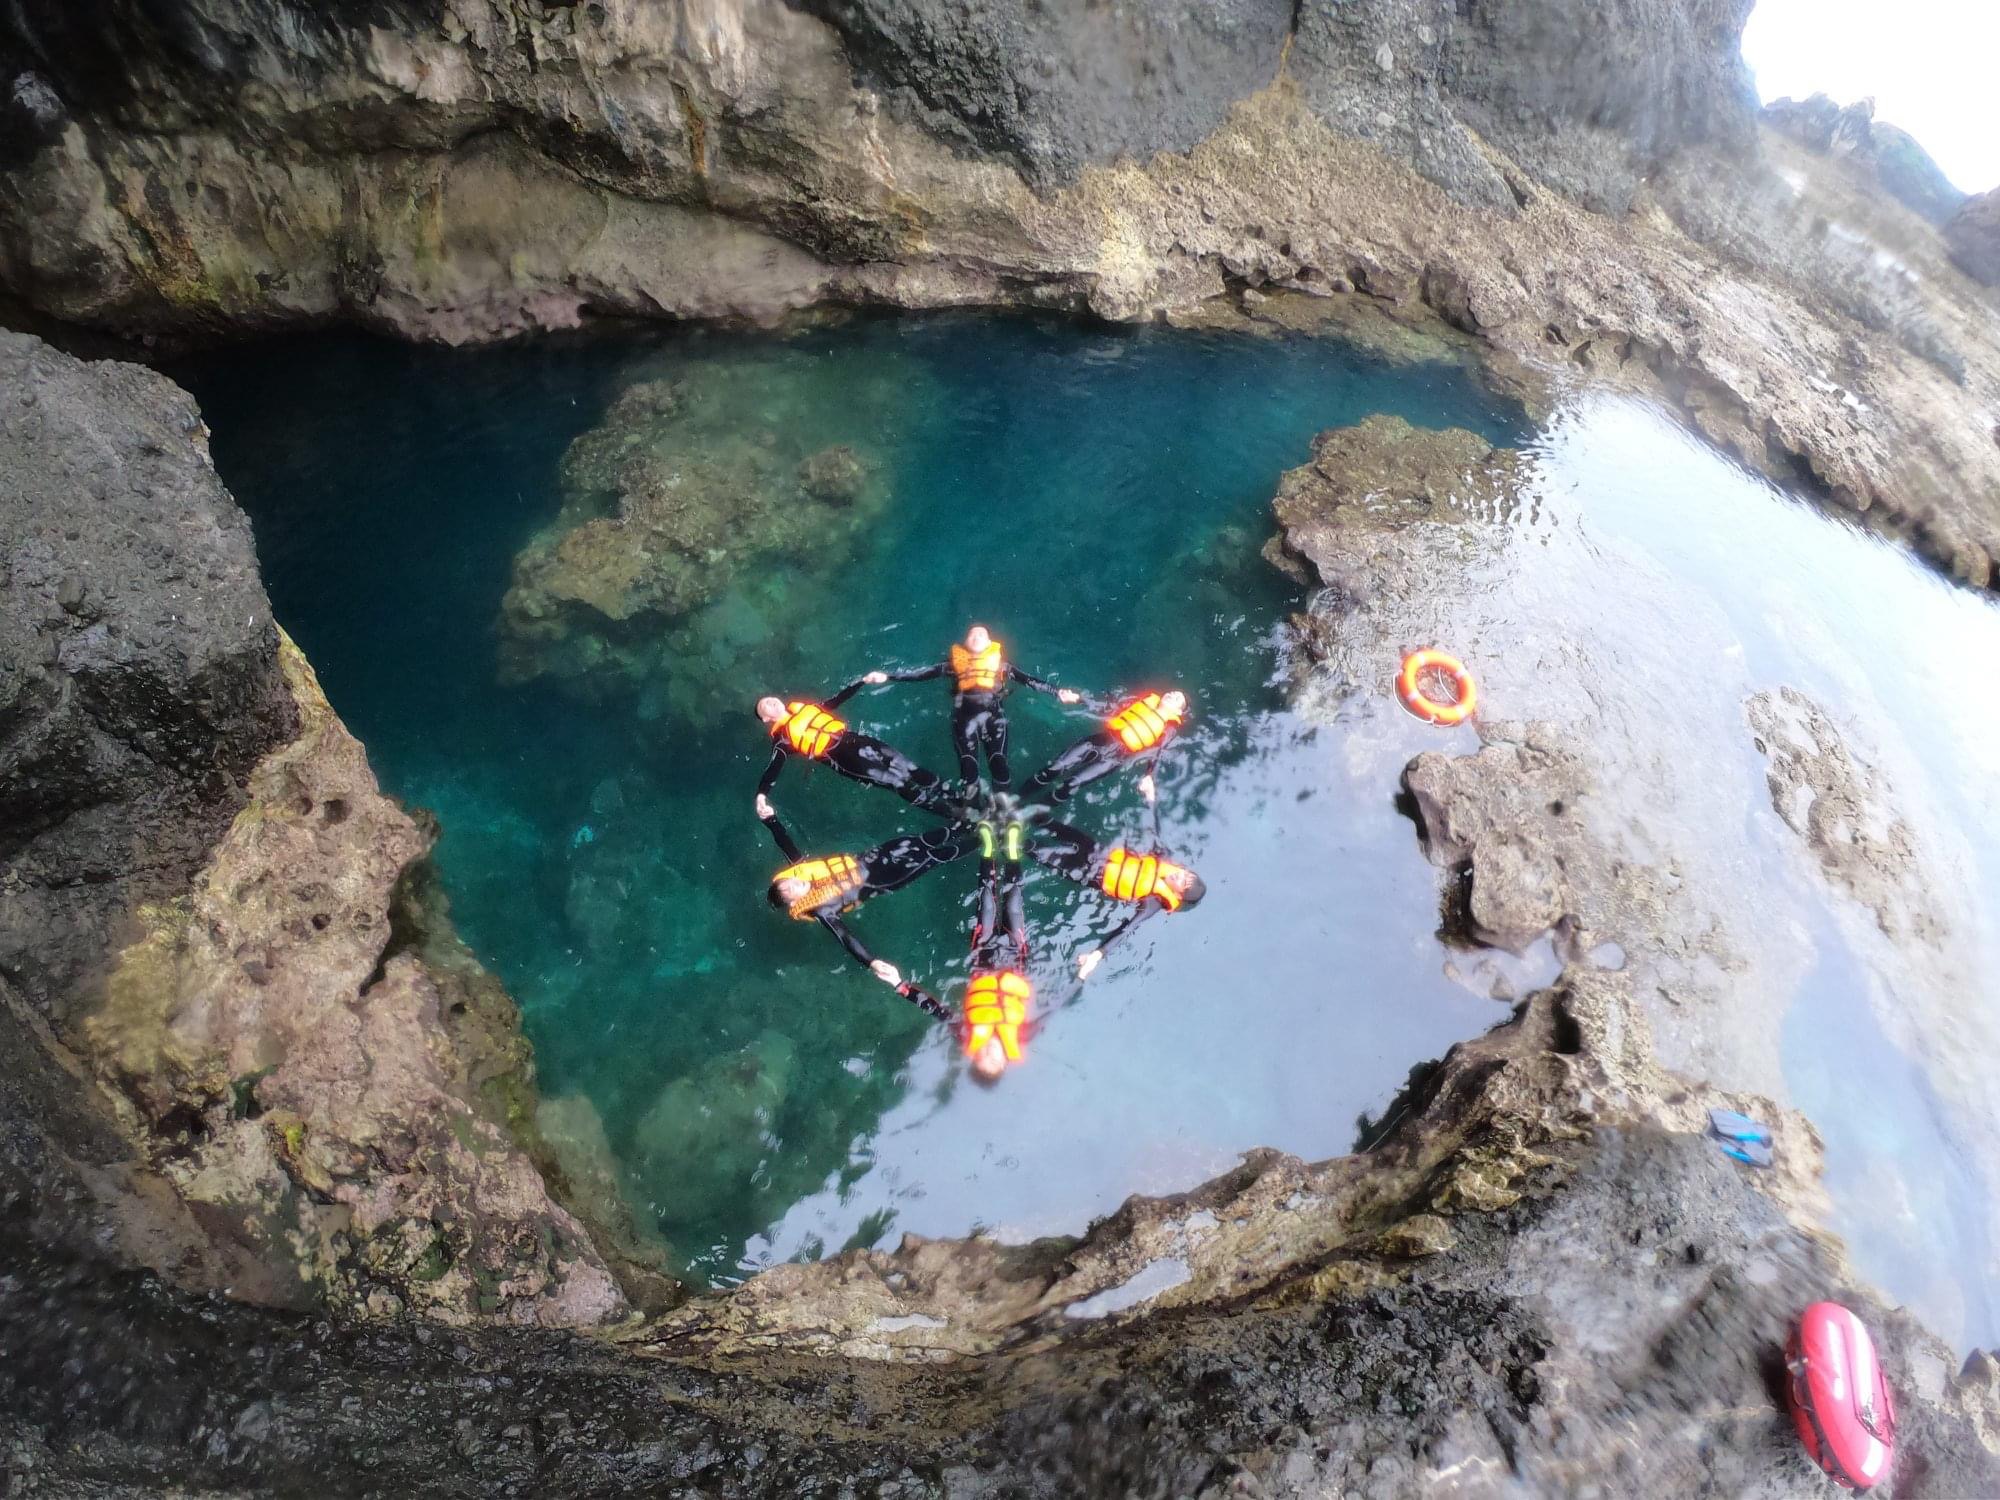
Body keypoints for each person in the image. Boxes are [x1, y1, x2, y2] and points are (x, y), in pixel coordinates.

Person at [761, 807, 978, 1020]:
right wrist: (871, 962)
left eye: (790, 881)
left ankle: (971, 825)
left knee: (921, 841)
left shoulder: (801, 873)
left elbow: (788, 847)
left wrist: (771, 820)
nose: (796, 882)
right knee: (932, 857)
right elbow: (845, 937)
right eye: (793, 890)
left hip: (874, 857)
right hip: (887, 879)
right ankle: (982, 840)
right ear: (795, 902)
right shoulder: (821, 910)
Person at [870, 625, 1082, 791]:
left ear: (990, 642)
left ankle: (1003, 809)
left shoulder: (1002, 667)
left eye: (981, 634)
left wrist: (1058, 692)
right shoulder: (953, 665)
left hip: (994, 718)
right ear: (964, 643)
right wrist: (888, 676)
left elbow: (1031, 681)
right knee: (968, 767)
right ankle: (970, 812)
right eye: (972, 634)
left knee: (998, 762)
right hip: (964, 718)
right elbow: (921, 673)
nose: (977, 635)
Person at [754, 682, 959, 850]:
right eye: (766, 705)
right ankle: (952, 813)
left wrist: (861, 682)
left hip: (855, 740)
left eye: (770, 699)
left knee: (907, 766)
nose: (770, 701)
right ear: (766, 719)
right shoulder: (782, 740)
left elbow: (836, 699)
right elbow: (774, 767)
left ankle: (956, 796)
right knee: (898, 782)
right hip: (844, 759)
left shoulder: (804, 708)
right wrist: (762, 795)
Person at [1029, 819, 1206, 980]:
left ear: (1176, 895)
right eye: (1184, 874)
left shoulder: (1154, 901)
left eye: (1182, 883)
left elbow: (1128, 929)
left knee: (1035, 849)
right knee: (1052, 825)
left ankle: (1016, 842)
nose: (1178, 875)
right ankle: (1019, 812)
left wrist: (1096, 956)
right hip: (1097, 851)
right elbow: (1154, 830)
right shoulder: (1165, 861)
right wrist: (1151, 796)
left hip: (1087, 874)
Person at [1020, 689, 1189, 806]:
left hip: (1115, 758)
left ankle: (1034, 811)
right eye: (1172, 693)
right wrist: (1078, 699)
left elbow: (1158, 752)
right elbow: (1109, 707)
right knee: (1055, 767)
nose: (1172, 695)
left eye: (1177, 699)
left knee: (1072, 783)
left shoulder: (1169, 727)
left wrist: (1149, 776)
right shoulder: (1145, 701)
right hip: (1101, 740)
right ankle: (1018, 798)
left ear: (1178, 712)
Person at [960, 818, 1034, 1081]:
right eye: (995, 1060)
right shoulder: (1023, 1036)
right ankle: (1013, 854)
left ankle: (988, 849)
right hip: (1015, 957)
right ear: (1004, 1062)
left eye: (982, 1058)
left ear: (975, 1056)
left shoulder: (965, 1033)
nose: (990, 1053)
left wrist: (900, 984)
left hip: (984, 954)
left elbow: (934, 1009)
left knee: (988, 902)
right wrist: (1082, 974)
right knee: (1013, 903)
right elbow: (1057, 1004)